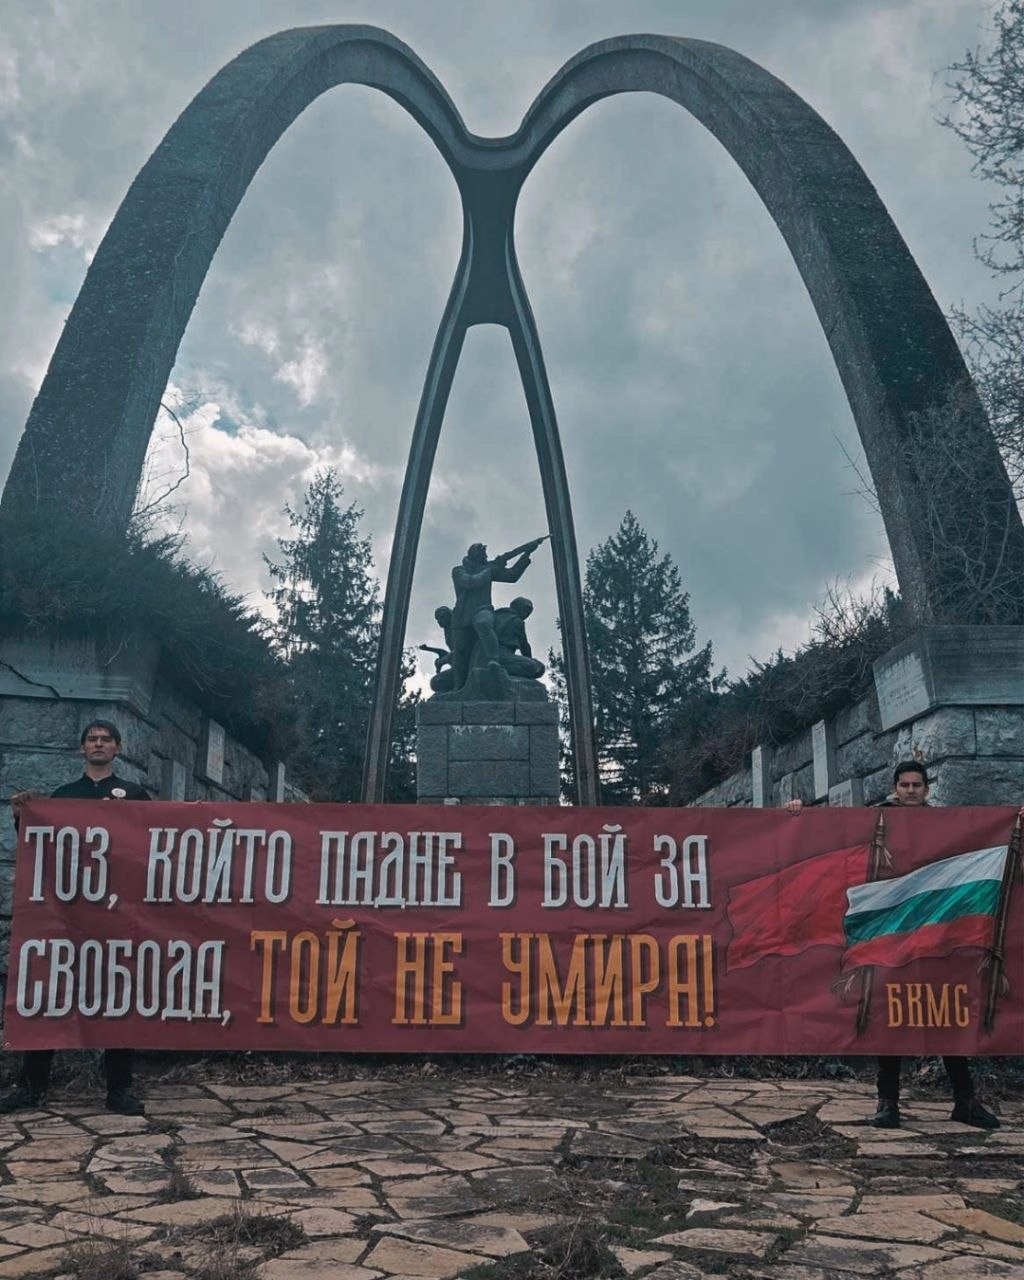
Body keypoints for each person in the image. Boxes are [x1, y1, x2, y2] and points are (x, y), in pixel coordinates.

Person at [786, 761, 1001, 1130]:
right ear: (895, 788)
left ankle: (965, 1101)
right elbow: (834, 831)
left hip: (936, 932)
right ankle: (887, 1103)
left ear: (927, 789)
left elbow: (982, 840)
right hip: (890, 933)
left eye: (917, 785)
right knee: (889, 1020)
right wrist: (799, 813)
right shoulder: (877, 819)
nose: (911, 790)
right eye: (905, 785)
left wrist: (1015, 822)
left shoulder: (945, 823)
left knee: (946, 1016)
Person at [4, 720, 149, 1115]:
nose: (98, 744)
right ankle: (32, 1087)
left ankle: (119, 1089)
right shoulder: (64, 796)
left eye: (106, 739)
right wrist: (22, 818)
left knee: (119, 998)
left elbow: (155, 843)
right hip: (69, 915)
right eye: (92, 739)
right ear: (81, 748)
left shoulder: (135, 794)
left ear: (118, 748)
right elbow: (43, 847)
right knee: (50, 996)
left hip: (117, 913)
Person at [450, 539, 542, 689]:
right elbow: (470, 583)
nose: (486, 557)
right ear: (475, 555)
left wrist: (526, 554)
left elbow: (512, 576)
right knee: (460, 652)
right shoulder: (459, 570)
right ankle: (458, 687)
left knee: (483, 623)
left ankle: (494, 660)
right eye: (483, 554)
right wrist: (490, 570)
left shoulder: (487, 569)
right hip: (462, 616)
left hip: (483, 609)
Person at [494, 597, 545, 680]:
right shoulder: (516, 621)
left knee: (535, 665)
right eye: (526, 611)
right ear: (518, 607)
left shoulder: (497, 615)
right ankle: (499, 670)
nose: (526, 615)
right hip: (502, 655)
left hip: (497, 654)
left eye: (528, 613)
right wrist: (530, 660)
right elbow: (524, 646)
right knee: (535, 666)